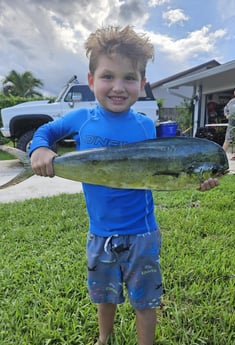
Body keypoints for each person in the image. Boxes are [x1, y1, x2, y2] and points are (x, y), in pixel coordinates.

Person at [30, 26, 218, 345]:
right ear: (91, 81)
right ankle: (105, 338)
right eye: (108, 77)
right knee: (105, 295)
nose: (118, 87)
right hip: (99, 232)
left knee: (145, 300)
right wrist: (39, 149)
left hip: (142, 232)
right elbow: (45, 132)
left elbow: (165, 168)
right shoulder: (80, 119)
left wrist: (197, 180)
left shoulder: (145, 125)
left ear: (141, 85)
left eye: (129, 78)